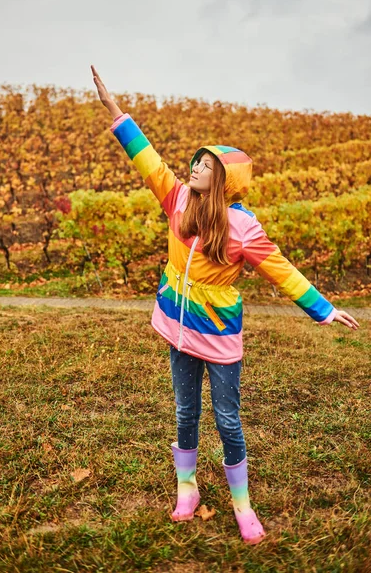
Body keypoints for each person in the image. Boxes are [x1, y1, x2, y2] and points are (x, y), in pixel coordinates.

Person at [91, 64, 360, 545]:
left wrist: (322, 308)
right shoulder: (177, 201)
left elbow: (279, 267)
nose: (194, 167)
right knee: (185, 412)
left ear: (224, 181)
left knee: (228, 418)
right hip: (177, 326)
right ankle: (187, 489)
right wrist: (117, 114)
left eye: (206, 165)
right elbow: (147, 160)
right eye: (196, 161)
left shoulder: (243, 228)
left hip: (218, 334)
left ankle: (242, 504)